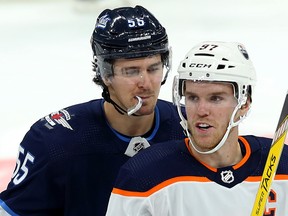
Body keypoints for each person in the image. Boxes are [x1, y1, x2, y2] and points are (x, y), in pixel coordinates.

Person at [0, 5, 186, 216]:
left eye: (153, 68)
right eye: (131, 71)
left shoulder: (190, 129)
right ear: (105, 74)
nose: (146, 83)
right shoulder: (53, 143)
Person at [105, 41, 288, 215]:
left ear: (244, 103)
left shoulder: (283, 166)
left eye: (215, 98)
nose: (201, 111)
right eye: (192, 98)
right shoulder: (145, 175)